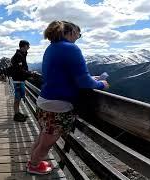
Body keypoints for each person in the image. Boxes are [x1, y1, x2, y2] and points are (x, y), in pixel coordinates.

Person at [27, 21, 109, 175]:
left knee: (43, 137)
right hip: (58, 105)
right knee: (47, 142)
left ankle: (33, 161)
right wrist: (101, 84)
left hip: (45, 101)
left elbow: (62, 76)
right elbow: (83, 82)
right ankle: (34, 165)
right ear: (70, 32)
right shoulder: (71, 48)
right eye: (78, 33)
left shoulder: (51, 48)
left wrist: (91, 78)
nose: (78, 37)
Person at [11, 40, 33, 122]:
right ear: (23, 46)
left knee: (18, 98)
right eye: (28, 46)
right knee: (17, 98)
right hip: (18, 80)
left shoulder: (21, 55)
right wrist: (30, 73)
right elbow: (20, 70)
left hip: (19, 80)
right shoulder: (19, 56)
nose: (29, 48)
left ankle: (17, 113)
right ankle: (16, 115)